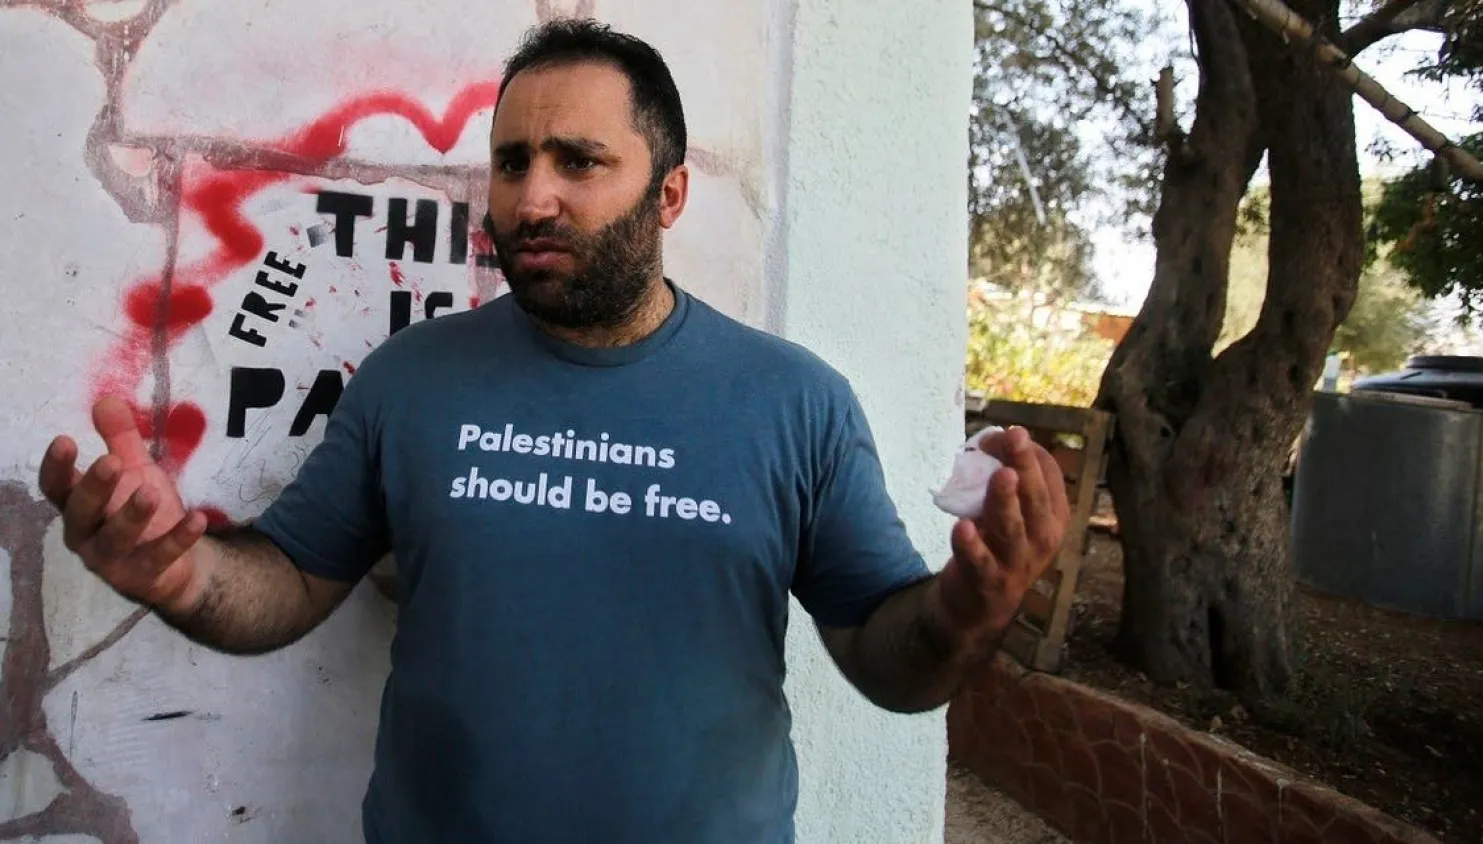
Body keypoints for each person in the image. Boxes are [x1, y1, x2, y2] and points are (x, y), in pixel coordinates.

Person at [37, 18, 1069, 844]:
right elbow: (289, 579)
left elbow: (888, 659)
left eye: (580, 162)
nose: (533, 197)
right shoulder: (411, 381)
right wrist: (180, 576)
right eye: (513, 160)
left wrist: (965, 610)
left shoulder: (793, 403)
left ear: (667, 195)